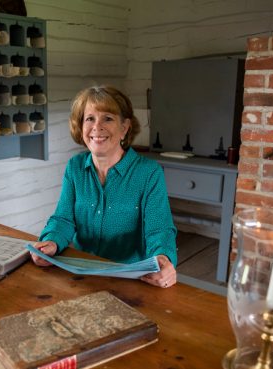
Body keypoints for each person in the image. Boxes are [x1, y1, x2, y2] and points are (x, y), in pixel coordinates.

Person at [30, 85, 177, 288]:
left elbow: (159, 229)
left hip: (131, 278)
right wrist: (51, 241)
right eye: (90, 118)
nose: (97, 127)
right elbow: (63, 219)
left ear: (124, 128)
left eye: (107, 118)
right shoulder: (75, 167)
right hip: (80, 273)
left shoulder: (149, 173)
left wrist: (163, 259)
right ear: (80, 126)